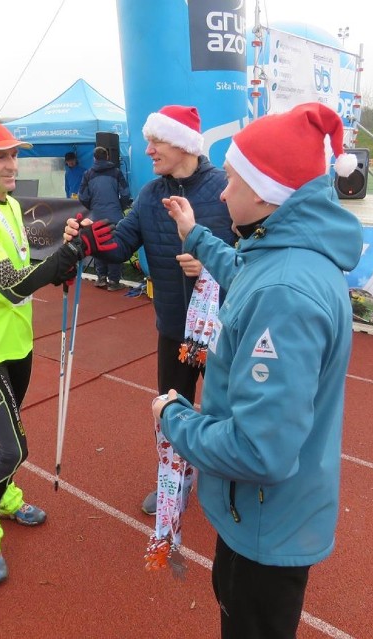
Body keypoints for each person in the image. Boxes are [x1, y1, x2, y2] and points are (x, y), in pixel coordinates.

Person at [152, 102, 364, 639]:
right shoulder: (285, 253)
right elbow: (242, 274)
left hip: (266, 522)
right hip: (265, 515)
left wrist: (174, 418)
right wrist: (194, 234)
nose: (221, 193)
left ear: (267, 191)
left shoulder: (284, 294)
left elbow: (260, 451)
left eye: (230, 179)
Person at [64, 105, 236, 515]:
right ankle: (173, 484)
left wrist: (214, 262)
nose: (148, 151)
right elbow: (120, 245)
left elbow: (252, 258)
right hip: (174, 329)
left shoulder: (224, 191)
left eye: (156, 142)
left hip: (225, 332)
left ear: (183, 144)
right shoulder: (150, 194)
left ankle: (231, 487)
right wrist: (89, 238)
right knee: (171, 411)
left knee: (229, 416)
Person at [0, 120, 92, 585]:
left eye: (13, 155)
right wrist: (64, 259)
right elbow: (11, 287)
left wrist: (62, 260)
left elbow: (22, 266)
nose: (11, 164)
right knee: (14, 447)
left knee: (6, 434)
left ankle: (5, 498)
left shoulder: (8, 206)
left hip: (18, 343)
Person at [78, 146, 131, 291]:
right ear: (107, 156)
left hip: (97, 215)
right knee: (113, 245)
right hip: (114, 214)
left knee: (98, 244)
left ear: (94, 158)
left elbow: (82, 196)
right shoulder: (116, 172)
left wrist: (93, 206)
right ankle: (114, 281)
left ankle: (101, 277)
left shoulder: (88, 174)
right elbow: (125, 192)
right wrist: (120, 206)